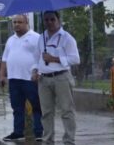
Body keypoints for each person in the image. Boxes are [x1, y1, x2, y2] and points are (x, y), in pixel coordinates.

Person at [32, 11, 80, 145]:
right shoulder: (41, 37)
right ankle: (48, 140)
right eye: (46, 20)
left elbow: (75, 59)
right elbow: (36, 57)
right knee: (46, 112)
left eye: (52, 19)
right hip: (44, 79)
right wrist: (35, 70)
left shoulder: (66, 38)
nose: (49, 22)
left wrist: (54, 59)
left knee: (66, 110)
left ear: (58, 20)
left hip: (61, 77)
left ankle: (69, 140)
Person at [0, 15, 43, 142]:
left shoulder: (36, 38)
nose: (16, 24)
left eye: (19, 22)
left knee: (36, 105)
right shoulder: (10, 40)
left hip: (30, 79)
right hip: (14, 79)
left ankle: (39, 132)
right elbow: (4, 59)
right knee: (17, 107)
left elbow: (41, 56)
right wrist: (2, 75)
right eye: (14, 22)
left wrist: (38, 72)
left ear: (26, 22)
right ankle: (18, 132)